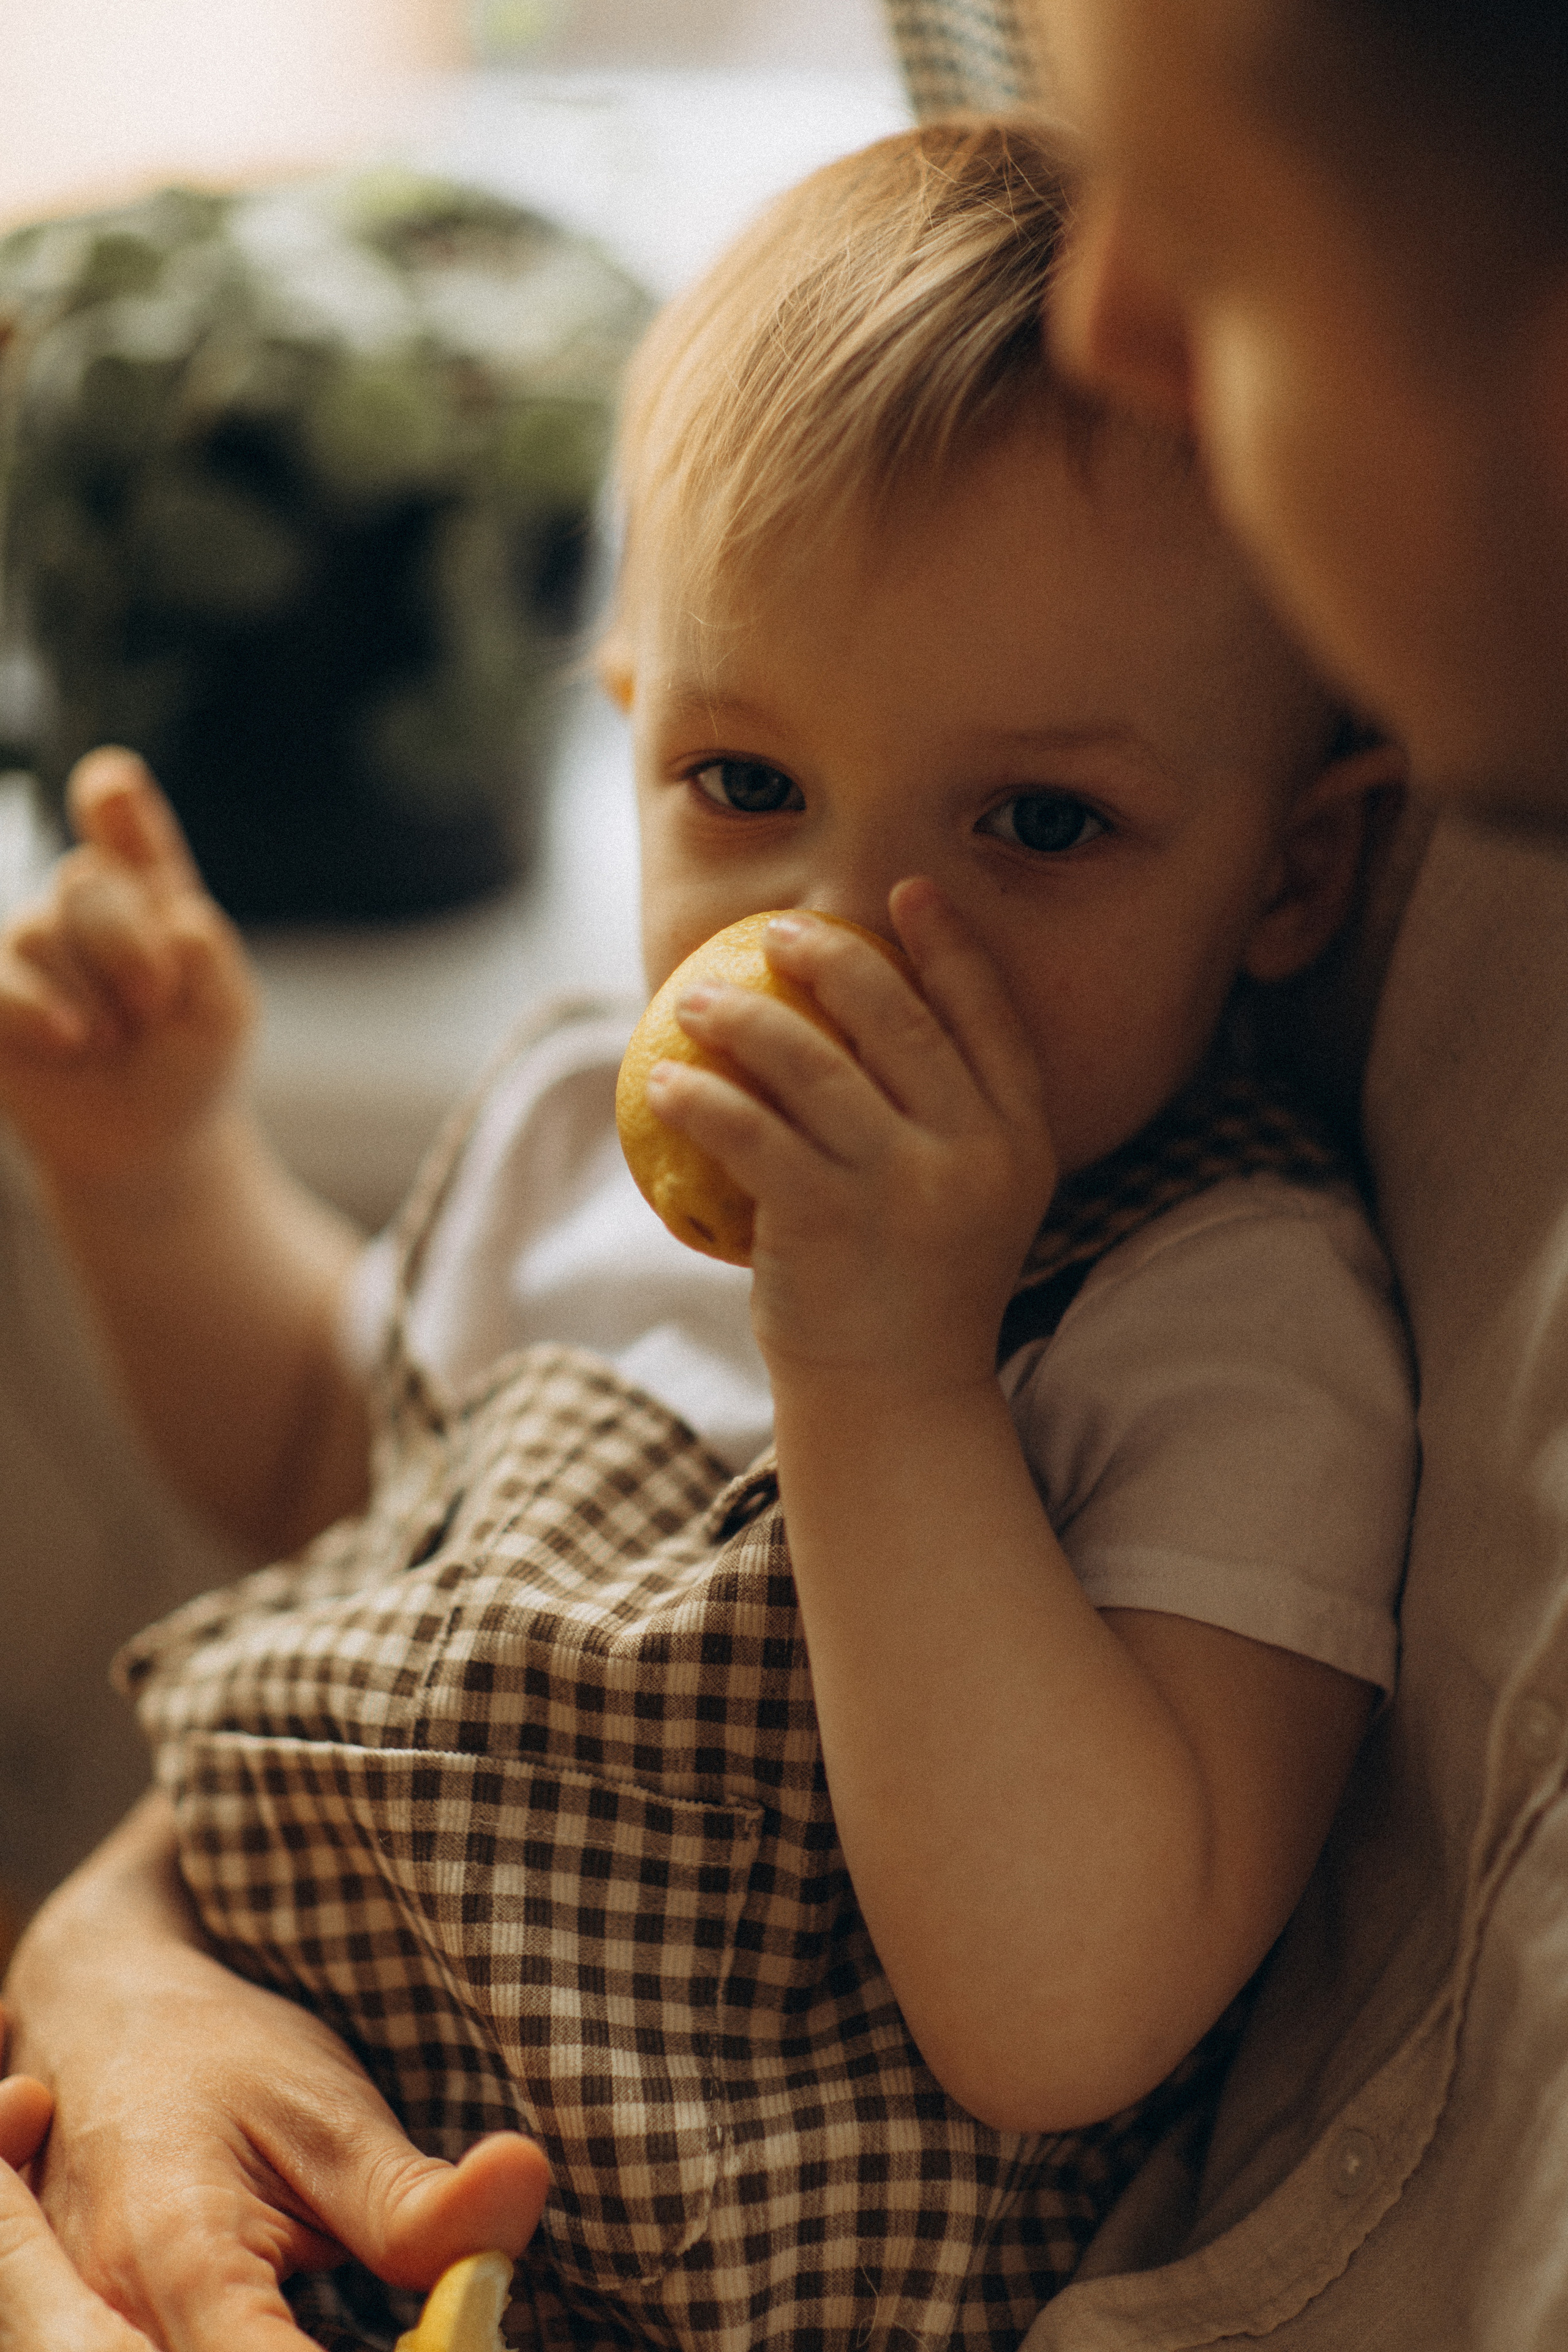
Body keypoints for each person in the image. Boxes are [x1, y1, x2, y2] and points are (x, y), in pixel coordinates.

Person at [0, 119, 1414, 2350]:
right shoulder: (581, 1124)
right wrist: (154, 1173)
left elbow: (1068, 2011)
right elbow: (317, 1474)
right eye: (746, 789)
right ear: (635, 736)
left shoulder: (1226, 1308)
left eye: (1042, 823)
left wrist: (891, 1377)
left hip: (676, 2280)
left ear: (1292, 882)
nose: (839, 934)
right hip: (249, 2122)